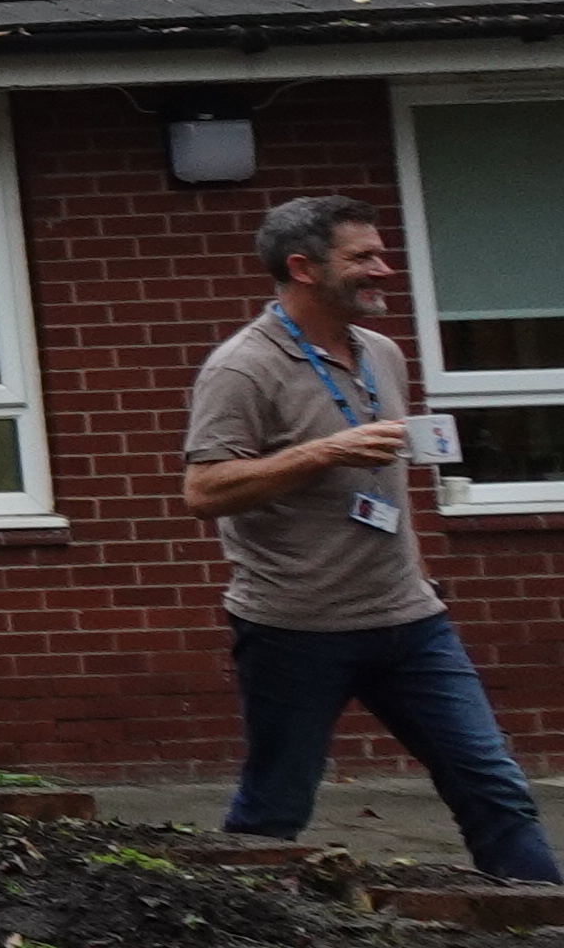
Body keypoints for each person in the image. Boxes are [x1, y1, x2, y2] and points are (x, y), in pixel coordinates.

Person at [184, 194, 559, 877]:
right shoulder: (242, 368)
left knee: (494, 787)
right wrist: (325, 451)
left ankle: (544, 941)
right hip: (295, 630)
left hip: (410, 621)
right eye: (363, 258)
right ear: (303, 268)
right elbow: (205, 491)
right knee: (275, 810)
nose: (385, 270)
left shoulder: (380, 352)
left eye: (382, 254)